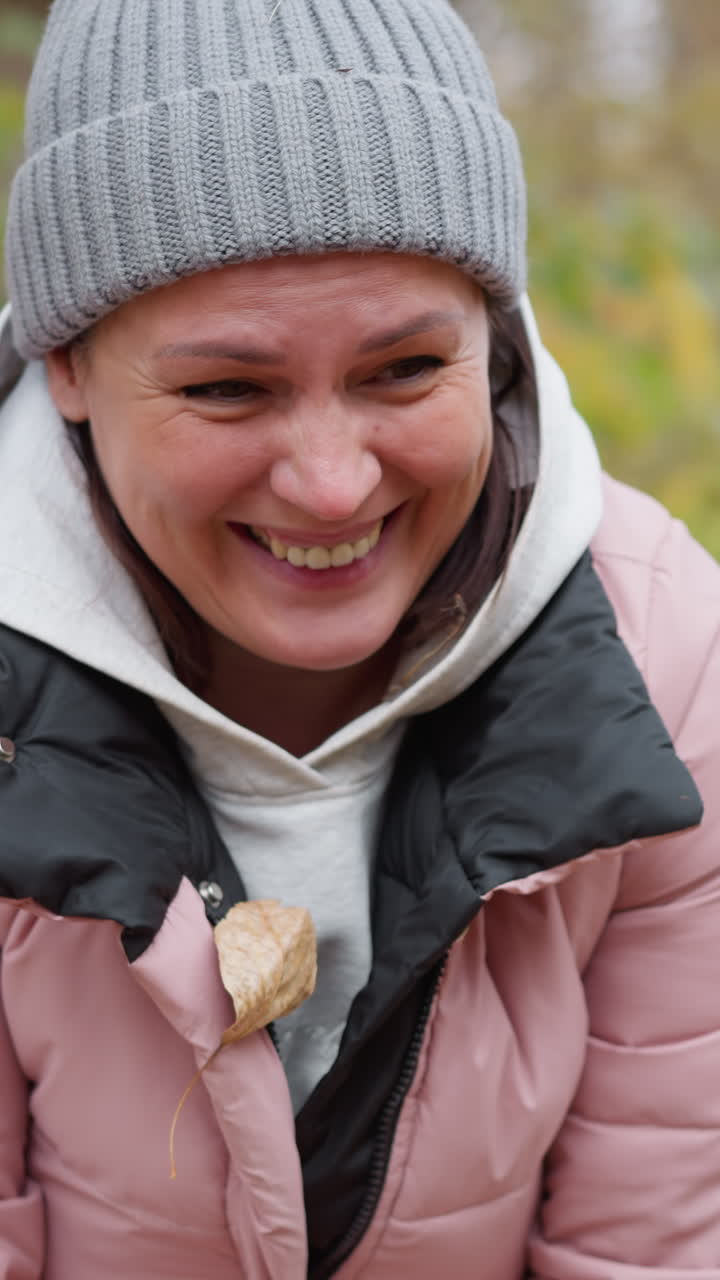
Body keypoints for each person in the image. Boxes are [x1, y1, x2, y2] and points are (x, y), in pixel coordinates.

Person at [0, 0, 718, 1276]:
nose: (333, 488)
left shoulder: (665, 643)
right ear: (65, 364)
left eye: (402, 370)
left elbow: (656, 1235)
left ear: (489, 338)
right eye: (228, 387)